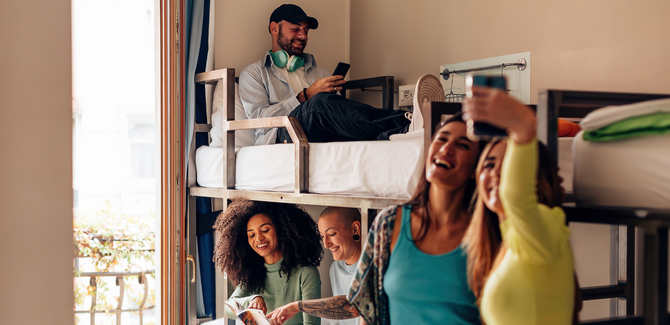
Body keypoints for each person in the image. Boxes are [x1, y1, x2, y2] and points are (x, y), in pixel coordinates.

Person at [267, 113, 484, 325]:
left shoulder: (485, 233)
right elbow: (360, 305)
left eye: (463, 145)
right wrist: (298, 306)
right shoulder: (389, 223)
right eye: (442, 139)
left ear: (477, 165)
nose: (446, 149)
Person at [239, 4, 441, 145]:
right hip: (282, 135)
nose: (303, 36)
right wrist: (306, 96)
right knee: (317, 104)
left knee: (334, 110)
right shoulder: (254, 73)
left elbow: (339, 116)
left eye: (306, 31)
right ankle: (407, 122)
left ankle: (400, 131)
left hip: (319, 130)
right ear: (274, 29)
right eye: (295, 29)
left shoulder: (319, 73)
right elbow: (258, 118)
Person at [461, 86, 578, 325]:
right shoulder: (508, 240)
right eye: (489, 165)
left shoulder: (545, 225)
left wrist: (523, 126)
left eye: (509, 164)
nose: (496, 173)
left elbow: (517, 197)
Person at [213, 199, 324, 325]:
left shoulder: (306, 272)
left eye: (265, 230)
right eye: (251, 235)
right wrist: (253, 299)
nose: (259, 238)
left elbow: (311, 324)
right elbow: (228, 308)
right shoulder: (253, 273)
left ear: (281, 230)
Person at [318, 207, 363, 325]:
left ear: (355, 229)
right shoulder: (335, 269)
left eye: (331, 234)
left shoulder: (374, 268)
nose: (326, 244)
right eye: (322, 236)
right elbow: (339, 316)